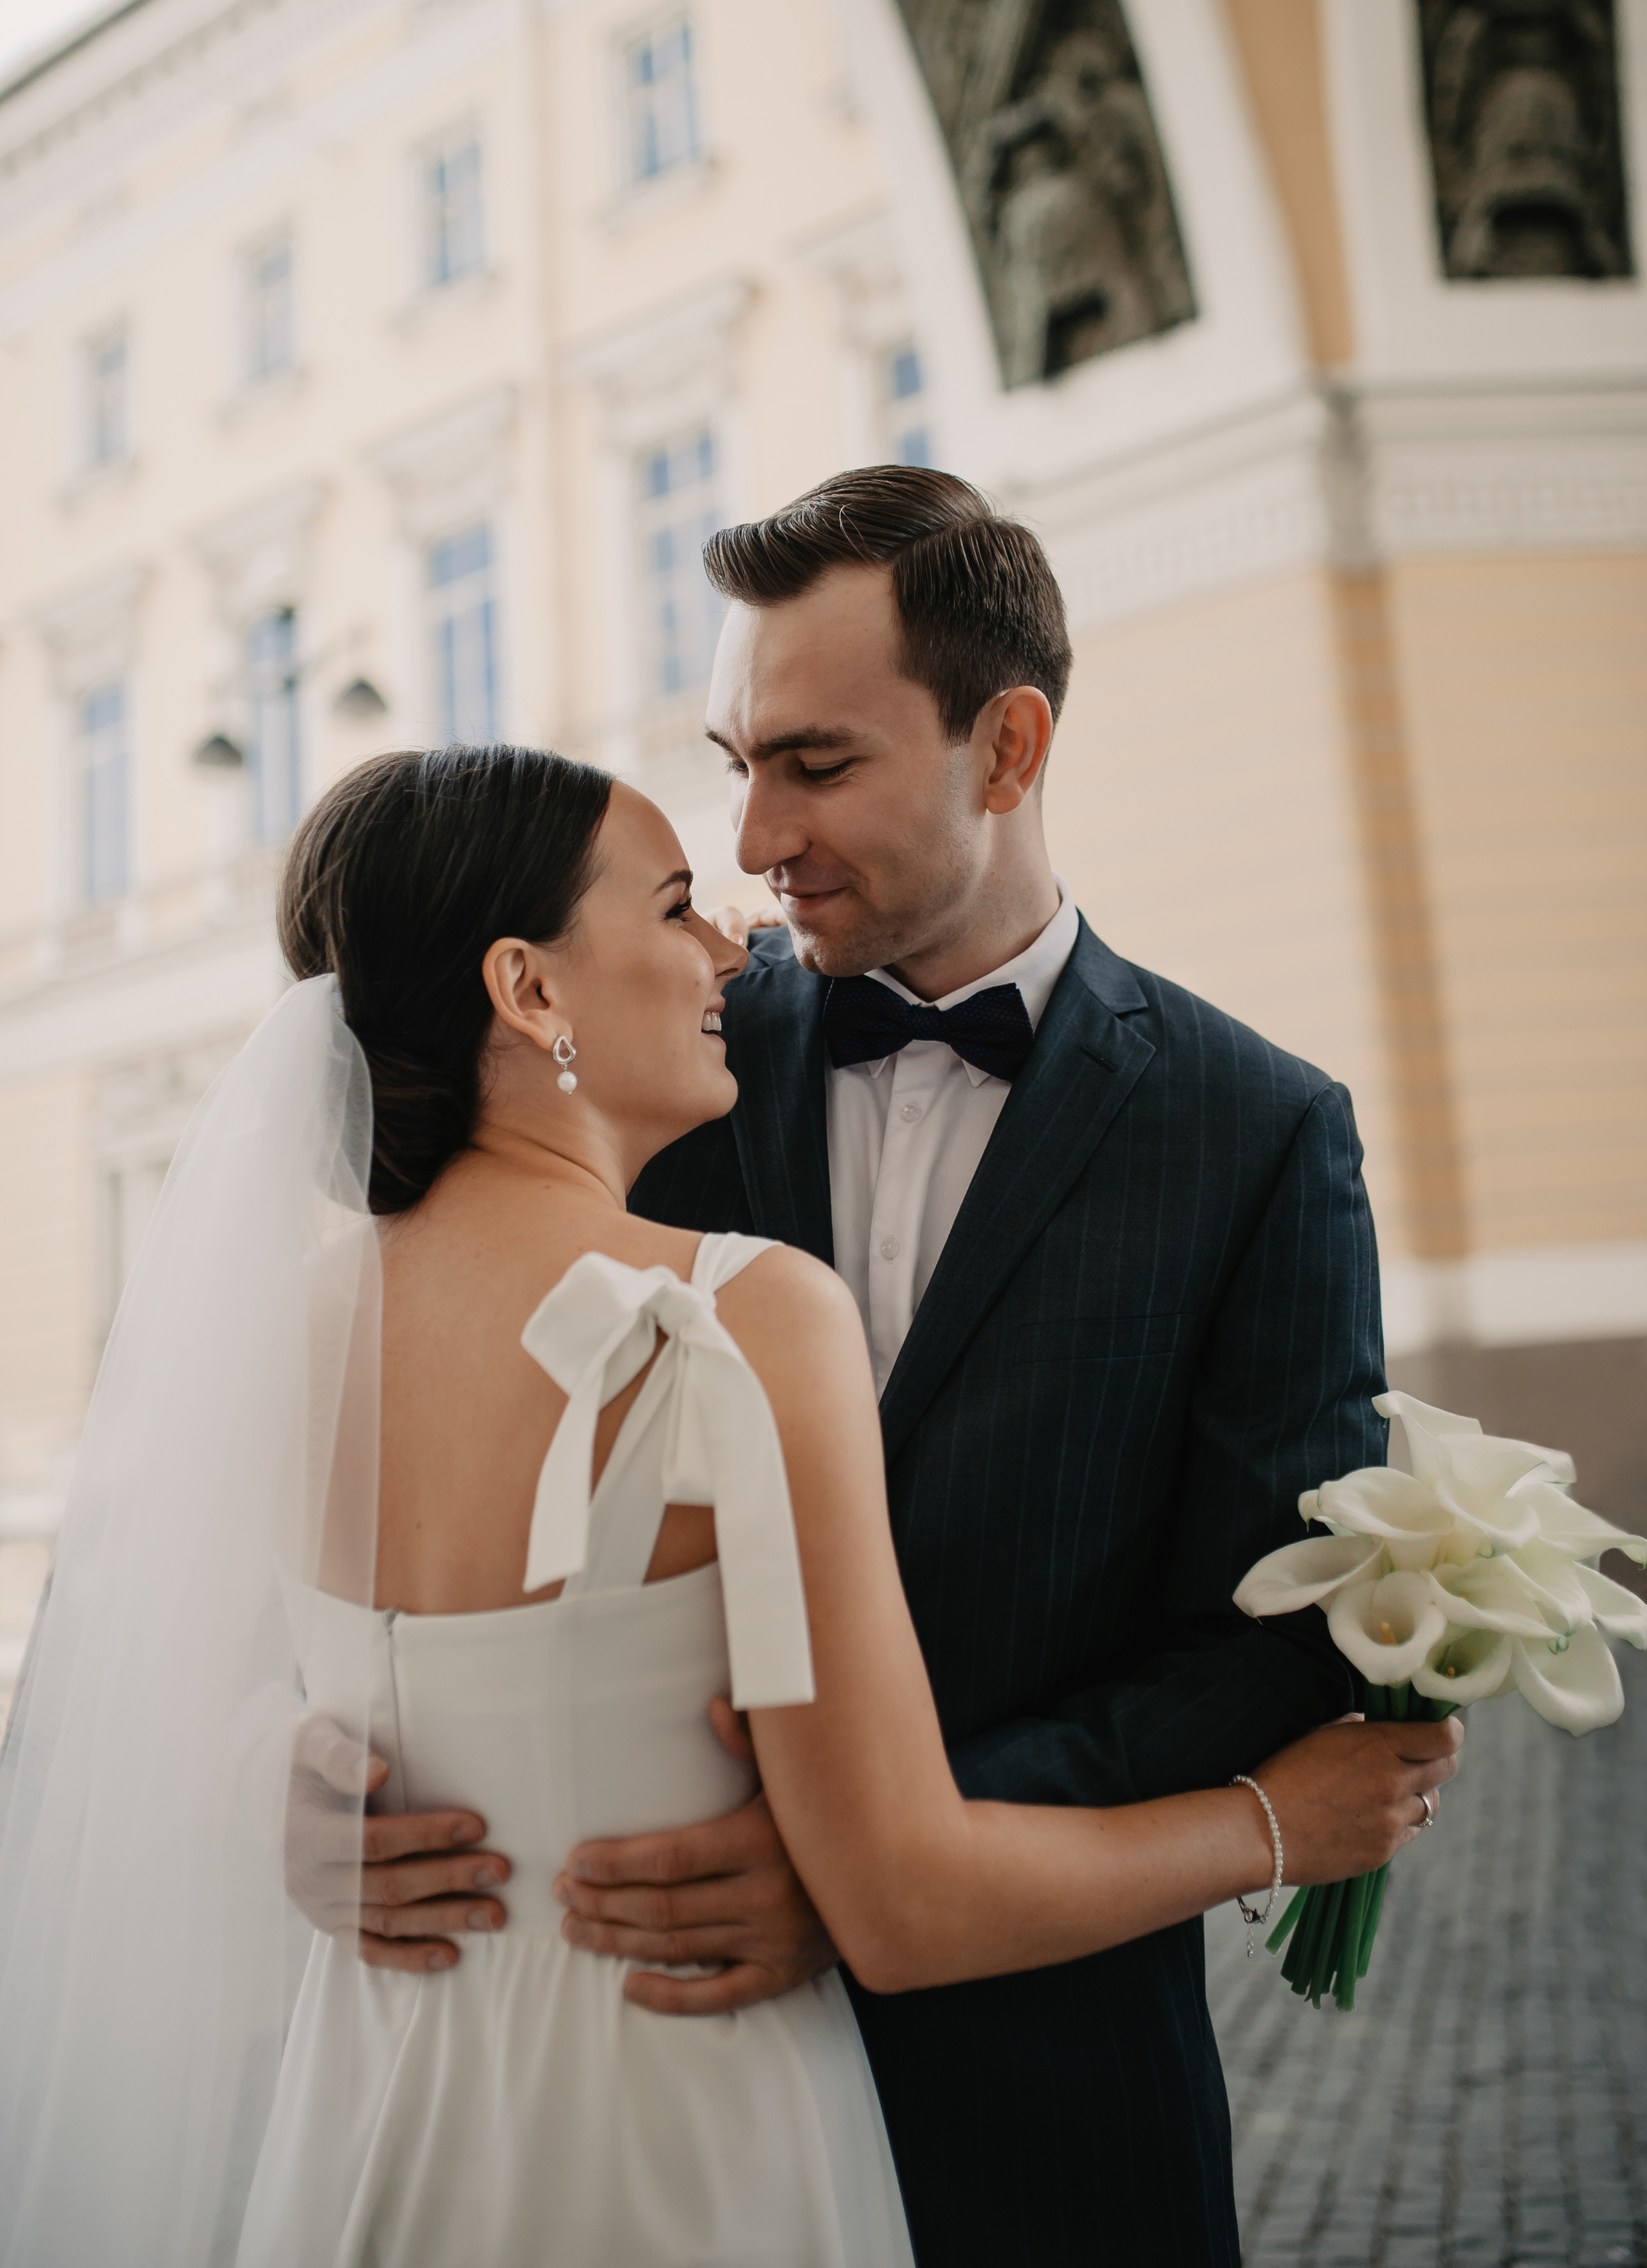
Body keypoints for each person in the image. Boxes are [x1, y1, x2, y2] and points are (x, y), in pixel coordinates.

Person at [0, 737, 1458, 2267]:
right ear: (531, 990)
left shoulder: (283, 1333)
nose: (734, 940)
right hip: (681, 2134)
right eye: (677, 903)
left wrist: (256, 1767)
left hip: (374, 2119)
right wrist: (1273, 1823)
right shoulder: (742, 1312)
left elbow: (165, 1678)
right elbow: (899, 1903)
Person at [339, 467, 1410, 2266]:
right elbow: (402, 1430)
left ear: (1010, 744)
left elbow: (1268, 1642)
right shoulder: (641, 1049)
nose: (751, 838)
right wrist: (301, 1766)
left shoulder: (1260, 1132)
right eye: (735, 758)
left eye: (816, 766)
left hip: (1052, 2097)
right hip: (629, 2084)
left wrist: (881, 1863)